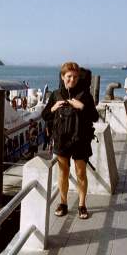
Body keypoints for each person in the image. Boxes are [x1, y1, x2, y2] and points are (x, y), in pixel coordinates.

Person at [42, 62, 99, 220]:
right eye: (69, 77)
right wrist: (53, 108)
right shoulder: (55, 95)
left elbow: (95, 117)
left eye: (75, 77)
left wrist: (82, 106)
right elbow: (45, 115)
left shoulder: (85, 95)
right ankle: (63, 203)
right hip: (61, 139)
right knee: (63, 172)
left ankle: (82, 204)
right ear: (62, 77)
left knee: (81, 172)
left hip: (80, 140)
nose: (72, 80)